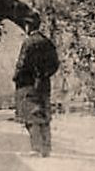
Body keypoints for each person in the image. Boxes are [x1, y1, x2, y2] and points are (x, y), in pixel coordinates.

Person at [13, 14, 60, 157]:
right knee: (44, 114)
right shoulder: (47, 42)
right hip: (44, 84)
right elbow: (55, 64)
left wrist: (17, 78)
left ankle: (37, 147)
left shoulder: (28, 43)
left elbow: (22, 64)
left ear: (28, 26)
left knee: (31, 116)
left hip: (28, 84)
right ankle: (46, 148)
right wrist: (45, 75)